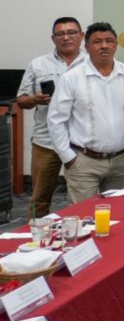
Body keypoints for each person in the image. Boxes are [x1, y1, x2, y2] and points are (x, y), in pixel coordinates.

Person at [48, 22, 124, 204]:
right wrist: (68, 157)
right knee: (82, 215)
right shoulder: (71, 78)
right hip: (83, 161)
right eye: (97, 42)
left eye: (109, 41)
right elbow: (56, 120)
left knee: (119, 213)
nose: (104, 46)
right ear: (87, 47)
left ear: (116, 45)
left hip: (122, 161)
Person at [17, 16, 87, 216]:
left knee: (82, 199)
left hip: (81, 142)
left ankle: (79, 233)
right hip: (46, 142)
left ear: (81, 36)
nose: (66, 37)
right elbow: (21, 100)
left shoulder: (91, 63)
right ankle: (33, 233)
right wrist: (35, 99)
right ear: (53, 38)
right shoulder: (38, 64)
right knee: (39, 198)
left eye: (71, 33)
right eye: (60, 34)